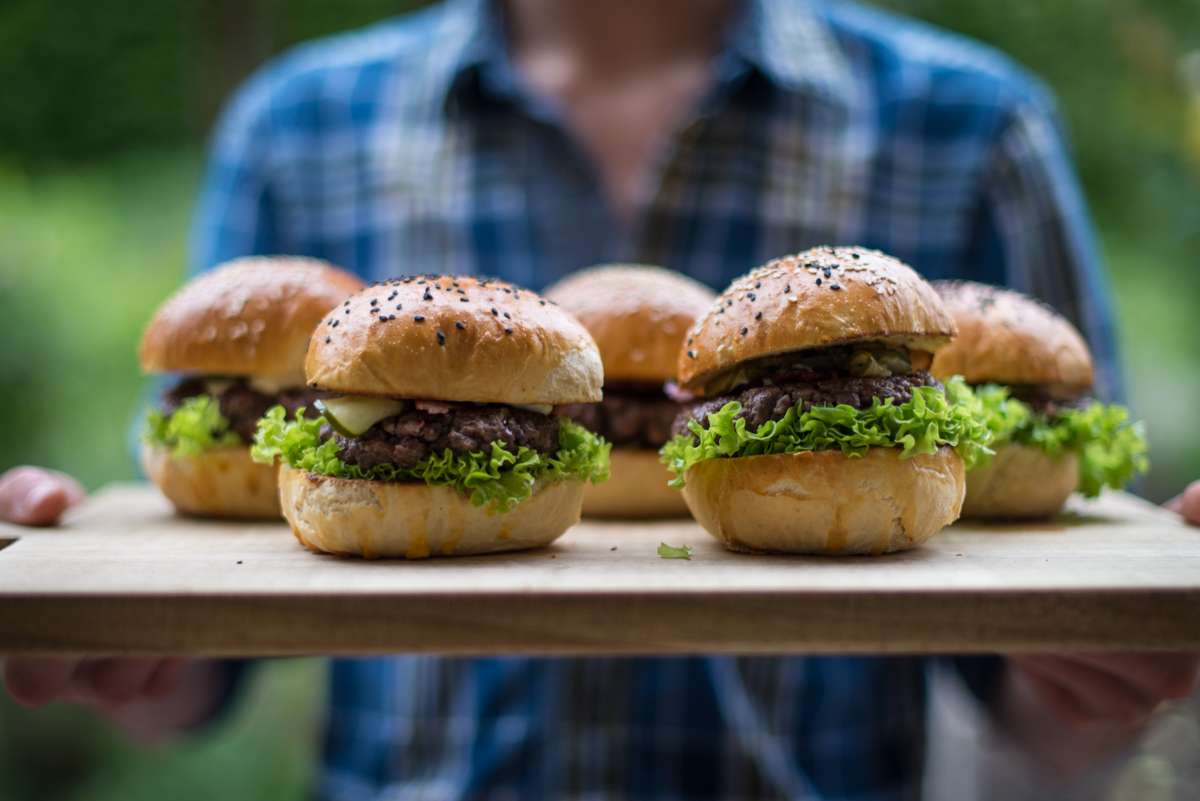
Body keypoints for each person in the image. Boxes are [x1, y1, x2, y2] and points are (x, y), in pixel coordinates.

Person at [4, 0, 1200, 795]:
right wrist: (107, 639)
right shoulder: (294, 124)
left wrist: (1109, 674)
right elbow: (201, 658)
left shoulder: (979, 122)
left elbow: (1040, 698)